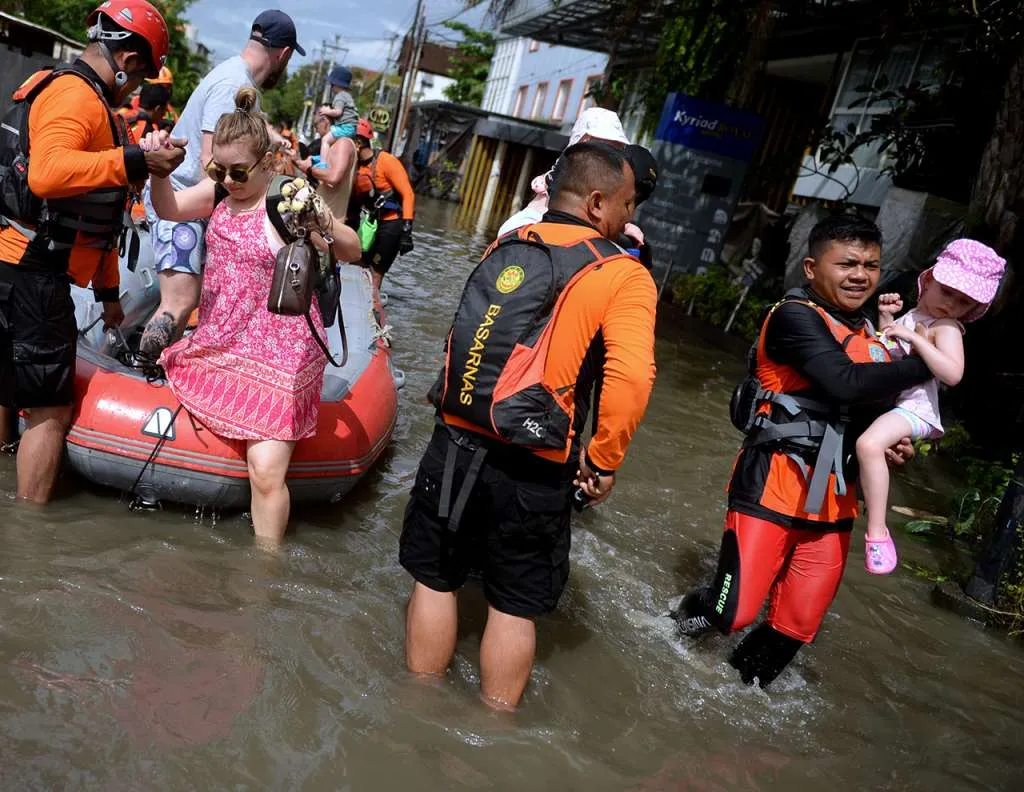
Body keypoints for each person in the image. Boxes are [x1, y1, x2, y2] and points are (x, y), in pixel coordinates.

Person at [399, 141, 658, 708]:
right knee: (513, 604)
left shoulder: (508, 243)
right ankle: (494, 732)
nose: (630, 216)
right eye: (628, 203)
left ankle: (414, 709)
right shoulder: (623, 274)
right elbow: (632, 379)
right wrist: (604, 460)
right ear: (596, 203)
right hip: (534, 463)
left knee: (435, 578)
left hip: (454, 439)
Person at [671, 215, 935, 688]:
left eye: (871, 265)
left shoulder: (875, 338)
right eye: (847, 263)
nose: (861, 275)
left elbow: (871, 409)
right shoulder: (793, 317)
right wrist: (932, 365)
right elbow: (845, 382)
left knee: (797, 624)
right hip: (771, 485)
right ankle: (677, 625)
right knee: (734, 613)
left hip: (835, 499)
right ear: (812, 268)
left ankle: (735, 695)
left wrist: (893, 443)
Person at [0, 0, 185, 504]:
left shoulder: (59, 87)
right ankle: (28, 538)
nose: (139, 86)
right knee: (50, 411)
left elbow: (95, 217)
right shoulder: (78, 98)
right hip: (31, 274)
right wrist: (138, 158)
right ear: (127, 58)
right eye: (143, 72)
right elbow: (47, 173)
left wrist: (110, 294)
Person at [141, 88, 361, 544]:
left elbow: (354, 250)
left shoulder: (286, 203)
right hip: (222, 340)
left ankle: (265, 570)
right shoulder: (222, 192)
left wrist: (323, 220)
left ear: (266, 161)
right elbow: (168, 209)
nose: (228, 179)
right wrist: (160, 173)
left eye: (238, 171)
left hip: (281, 353)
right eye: (218, 169)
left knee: (264, 472)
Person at [138, 8, 304, 359]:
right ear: (284, 54)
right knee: (180, 302)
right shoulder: (233, 85)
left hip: (187, 199)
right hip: (182, 198)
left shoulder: (235, 78)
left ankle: (164, 369)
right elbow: (210, 164)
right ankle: (144, 366)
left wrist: (273, 138)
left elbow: (240, 130)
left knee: (187, 302)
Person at [857, 239, 1006, 574]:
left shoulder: (946, 327)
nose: (950, 305)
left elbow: (953, 373)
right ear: (928, 281)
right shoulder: (915, 316)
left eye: (963, 301)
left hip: (916, 410)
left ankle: (878, 533)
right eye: (946, 291)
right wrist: (886, 319)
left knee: (868, 445)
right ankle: (870, 516)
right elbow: (890, 357)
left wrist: (916, 339)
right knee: (871, 449)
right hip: (895, 405)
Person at [497, 108, 654, 265]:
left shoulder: (620, 229)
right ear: (581, 144)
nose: (611, 159)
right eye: (603, 149)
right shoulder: (522, 226)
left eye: (616, 150)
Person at [349, 118, 415, 295]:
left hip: (392, 224)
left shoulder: (386, 161)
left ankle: (374, 312)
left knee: (375, 275)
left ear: (358, 143)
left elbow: (408, 194)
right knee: (356, 264)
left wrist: (407, 230)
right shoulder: (354, 166)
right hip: (372, 224)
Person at [298, 66, 358, 172]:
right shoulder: (347, 96)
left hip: (345, 127)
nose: (331, 87)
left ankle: (323, 164)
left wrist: (326, 111)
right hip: (351, 127)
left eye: (332, 84)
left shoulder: (340, 97)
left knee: (325, 140)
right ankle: (321, 160)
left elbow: (338, 112)